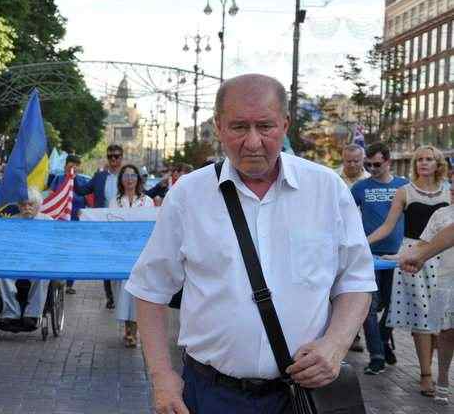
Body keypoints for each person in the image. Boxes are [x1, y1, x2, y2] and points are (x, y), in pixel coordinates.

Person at [126, 74, 375, 414]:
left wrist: (335, 344)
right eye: (239, 127)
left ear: (285, 124)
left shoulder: (327, 190)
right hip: (213, 395)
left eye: (266, 126)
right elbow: (150, 289)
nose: (253, 142)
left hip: (303, 396)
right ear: (219, 126)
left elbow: (356, 280)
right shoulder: (188, 195)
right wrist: (162, 376)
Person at [367, 145, 450, 397]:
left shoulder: (449, 191)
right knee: (423, 316)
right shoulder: (404, 191)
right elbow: (387, 227)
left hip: (444, 257)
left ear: (438, 164)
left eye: (429, 159)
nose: (423, 163)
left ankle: (434, 371)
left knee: (438, 318)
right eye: (419, 160)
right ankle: (426, 375)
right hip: (413, 255)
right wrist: (361, 244)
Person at [350, 142, 409, 374]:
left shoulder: (404, 186)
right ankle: (376, 356)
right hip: (370, 255)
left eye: (377, 164)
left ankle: (384, 339)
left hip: (397, 255)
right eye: (369, 164)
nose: (372, 168)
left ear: (388, 162)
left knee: (391, 304)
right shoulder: (359, 187)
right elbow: (343, 215)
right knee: (370, 307)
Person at [403, 176, 454, 404]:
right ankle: (442, 377)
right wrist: (405, 257)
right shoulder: (443, 214)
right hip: (448, 281)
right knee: (447, 333)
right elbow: (426, 243)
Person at [0, 188, 52, 330]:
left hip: (38, 262)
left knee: (42, 274)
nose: (27, 208)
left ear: (38, 205)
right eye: (23, 205)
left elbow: (53, 247)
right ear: (19, 206)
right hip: (17, 262)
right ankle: (11, 312)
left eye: (31, 204)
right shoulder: (13, 221)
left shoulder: (48, 221)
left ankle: (32, 314)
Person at [75, 144, 125, 309]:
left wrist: (161, 188)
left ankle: (124, 296)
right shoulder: (99, 177)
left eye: (116, 156)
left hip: (124, 226)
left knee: (122, 259)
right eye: (110, 156)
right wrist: (72, 175)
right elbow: (82, 191)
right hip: (103, 226)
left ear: (121, 158)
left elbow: (143, 193)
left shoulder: (128, 176)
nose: (113, 160)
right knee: (107, 260)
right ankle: (110, 297)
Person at [109, 164, 154, 348]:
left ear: (138, 178)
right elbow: (110, 223)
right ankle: (127, 328)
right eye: (126, 176)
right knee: (123, 292)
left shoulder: (147, 201)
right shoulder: (115, 201)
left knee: (137, 291)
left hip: (140, 252)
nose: (129, 179)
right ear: (121, 179)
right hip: (120, 253)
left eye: (133, 175)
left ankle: (133, 331)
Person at [49, 154, 88, 294]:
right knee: (58, 251)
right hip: (59, 222)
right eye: (71, 166)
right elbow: (51, 197)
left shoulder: (82, 181)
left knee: (72, 253)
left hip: (75, 223)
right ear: (65, 165)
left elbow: (87, 201)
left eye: (76, 166)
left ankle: (70, 284)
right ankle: (56, 280)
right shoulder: (58, 179)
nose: (73, 169)